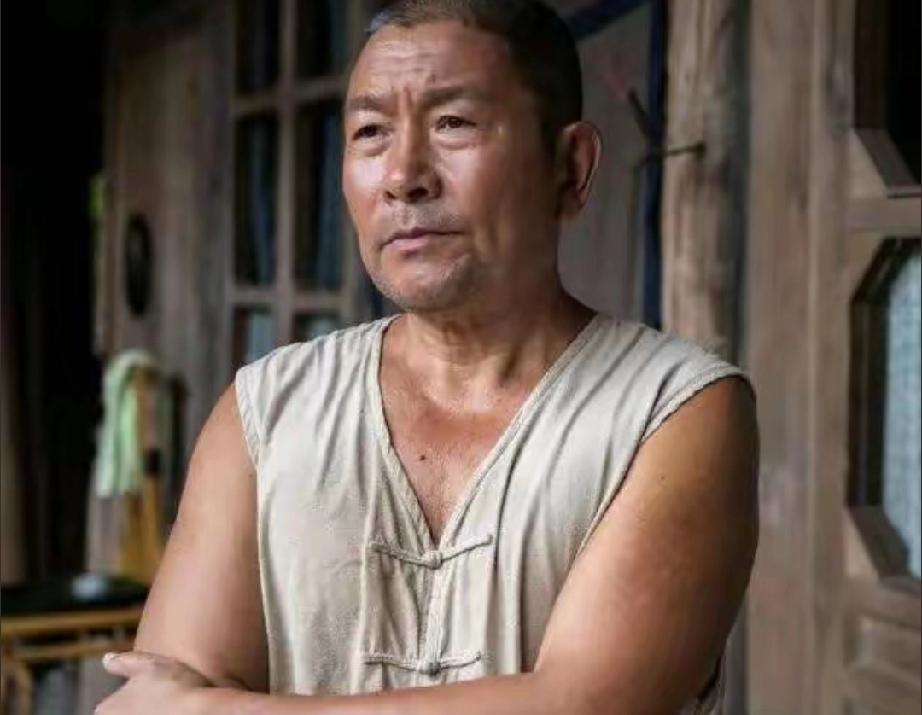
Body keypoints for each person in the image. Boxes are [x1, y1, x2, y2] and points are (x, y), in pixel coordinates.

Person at [97, 1, 759, 713]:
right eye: (371, 133)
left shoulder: (673, 412)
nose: (403, 175)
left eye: (454, 123)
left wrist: (216, 709)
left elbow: (579, 705)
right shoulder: (267, 413)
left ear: (569, 168)